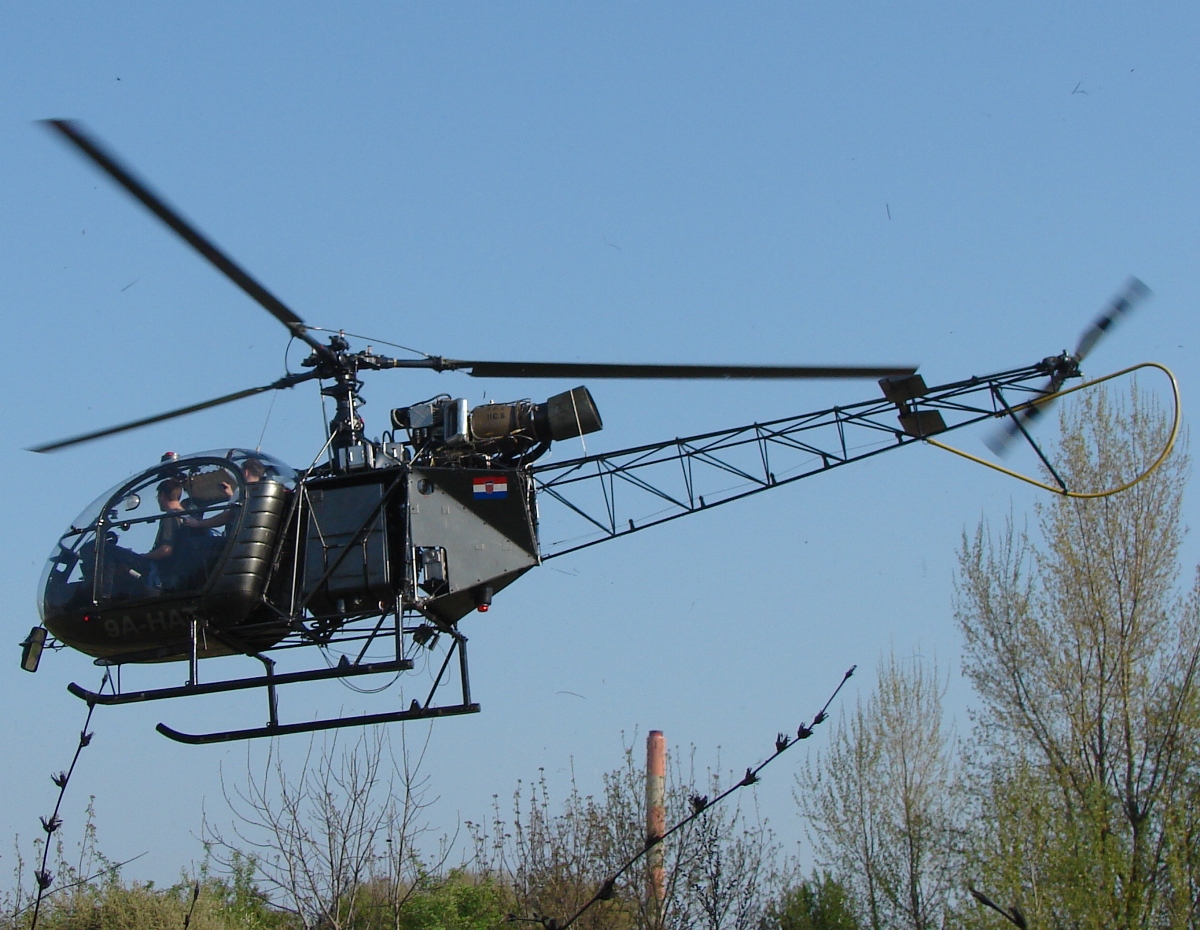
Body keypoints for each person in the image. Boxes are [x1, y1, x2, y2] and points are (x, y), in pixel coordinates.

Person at [182, 458, 265, 531]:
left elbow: (225, 518)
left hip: (232, 539)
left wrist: (197, 523)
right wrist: (231, 496)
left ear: (246, 472)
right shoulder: (259, 493)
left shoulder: (243, 490)